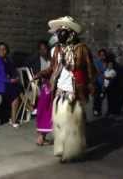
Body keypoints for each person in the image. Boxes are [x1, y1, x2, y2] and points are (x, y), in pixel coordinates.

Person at [34, 16, 96, 162]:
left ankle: (71, 151)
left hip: (75, 90)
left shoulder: (82, 49)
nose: (60, 34)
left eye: (63, 32)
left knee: (72, 122)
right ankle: (62, 148)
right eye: (59, 32)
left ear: (71, 33)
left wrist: (91, 84)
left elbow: (90, 69)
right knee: (60, 121)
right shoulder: (56, 50)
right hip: (60, 90)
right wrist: (42, 73)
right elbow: (52, 67)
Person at [0, 42, 22, 128]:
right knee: (16, 95)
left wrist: (15, 77)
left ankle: (16, 117)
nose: (2, 51)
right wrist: (10, 80)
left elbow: (13, 71)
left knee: (18, 89)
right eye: (0, 49)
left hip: (7, 83)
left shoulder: (7, 60)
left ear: (7, 51)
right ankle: (15, 119)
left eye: (4, 49)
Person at [92, 49, 107, 116]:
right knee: (96, 97)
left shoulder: (106, 63)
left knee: (101, 97)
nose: (102, 56)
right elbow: (98, 71)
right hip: (98, 81)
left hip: (104, 82)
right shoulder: (96, 62)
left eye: (103, 55)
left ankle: (99, 110)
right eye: (101, 55)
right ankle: (95, 110)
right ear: (99, 55)